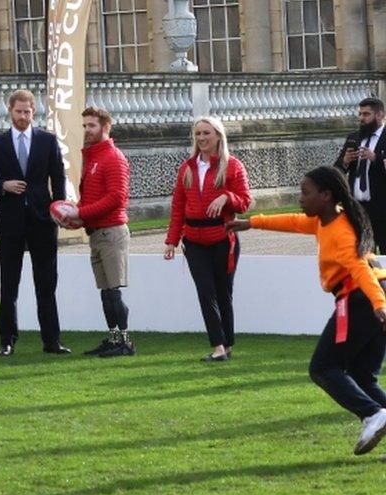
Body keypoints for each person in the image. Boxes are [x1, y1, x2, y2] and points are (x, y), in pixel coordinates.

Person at [228, 166, 386, 455]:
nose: (299, 198)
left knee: (323, 368)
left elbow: (360, 270)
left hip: (363, 299)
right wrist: (252, 223)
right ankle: (377, 413)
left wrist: (379, 305)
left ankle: (373, 415)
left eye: (305, 192)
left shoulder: (340, 232)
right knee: (362, 376)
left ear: (325, 195)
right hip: (370, 297)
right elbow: (294, 222)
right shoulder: (326, 219)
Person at [0, 89, 69, 357]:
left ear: (34, 111)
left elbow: (58, 177)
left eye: (27, 112)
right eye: (19, 112)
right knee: (9, 284)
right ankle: (6, 340)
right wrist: (2, 185)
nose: (23, 116)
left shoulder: (47, 141)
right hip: (10, 222)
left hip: (42, 220)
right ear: (10, 111)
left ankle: (52, 341)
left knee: (46, 283)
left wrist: (59, 208)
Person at [164, 117, 251, 362]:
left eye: (206, 133)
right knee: (205, 292)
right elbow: (178, 207)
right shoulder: (187, 168)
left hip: (223, 238)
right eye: (198, 134)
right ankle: (218, 346)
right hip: (194, 240)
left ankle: (228, 343)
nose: (201, 138)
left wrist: (227, 197)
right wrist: (171, 240)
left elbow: (244, 200)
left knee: (223, 292)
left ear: (218, 136)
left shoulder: (232, 166)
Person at [70, 106, 135, 357]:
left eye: (92, 126)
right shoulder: (94, 156)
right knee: (106, 291)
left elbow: (117, 198)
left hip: (111, 231)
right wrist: (74, 213)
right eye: (85, 126)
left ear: (106, 127)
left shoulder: (113, 157)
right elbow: (91, 198)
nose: (87, 130)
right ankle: (113, 338)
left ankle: (126, 342)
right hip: (97, 232)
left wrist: (81, 213)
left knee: (114, 290)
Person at [334, 97, 386, 253]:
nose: (361, 118)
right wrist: (345, 161)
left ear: (380, 115)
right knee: (363, 256)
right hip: (359, 210)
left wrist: (375, 158)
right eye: (360, 114)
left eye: (366, 114)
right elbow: (337, 170)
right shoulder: (354, 137)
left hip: (382, 210)